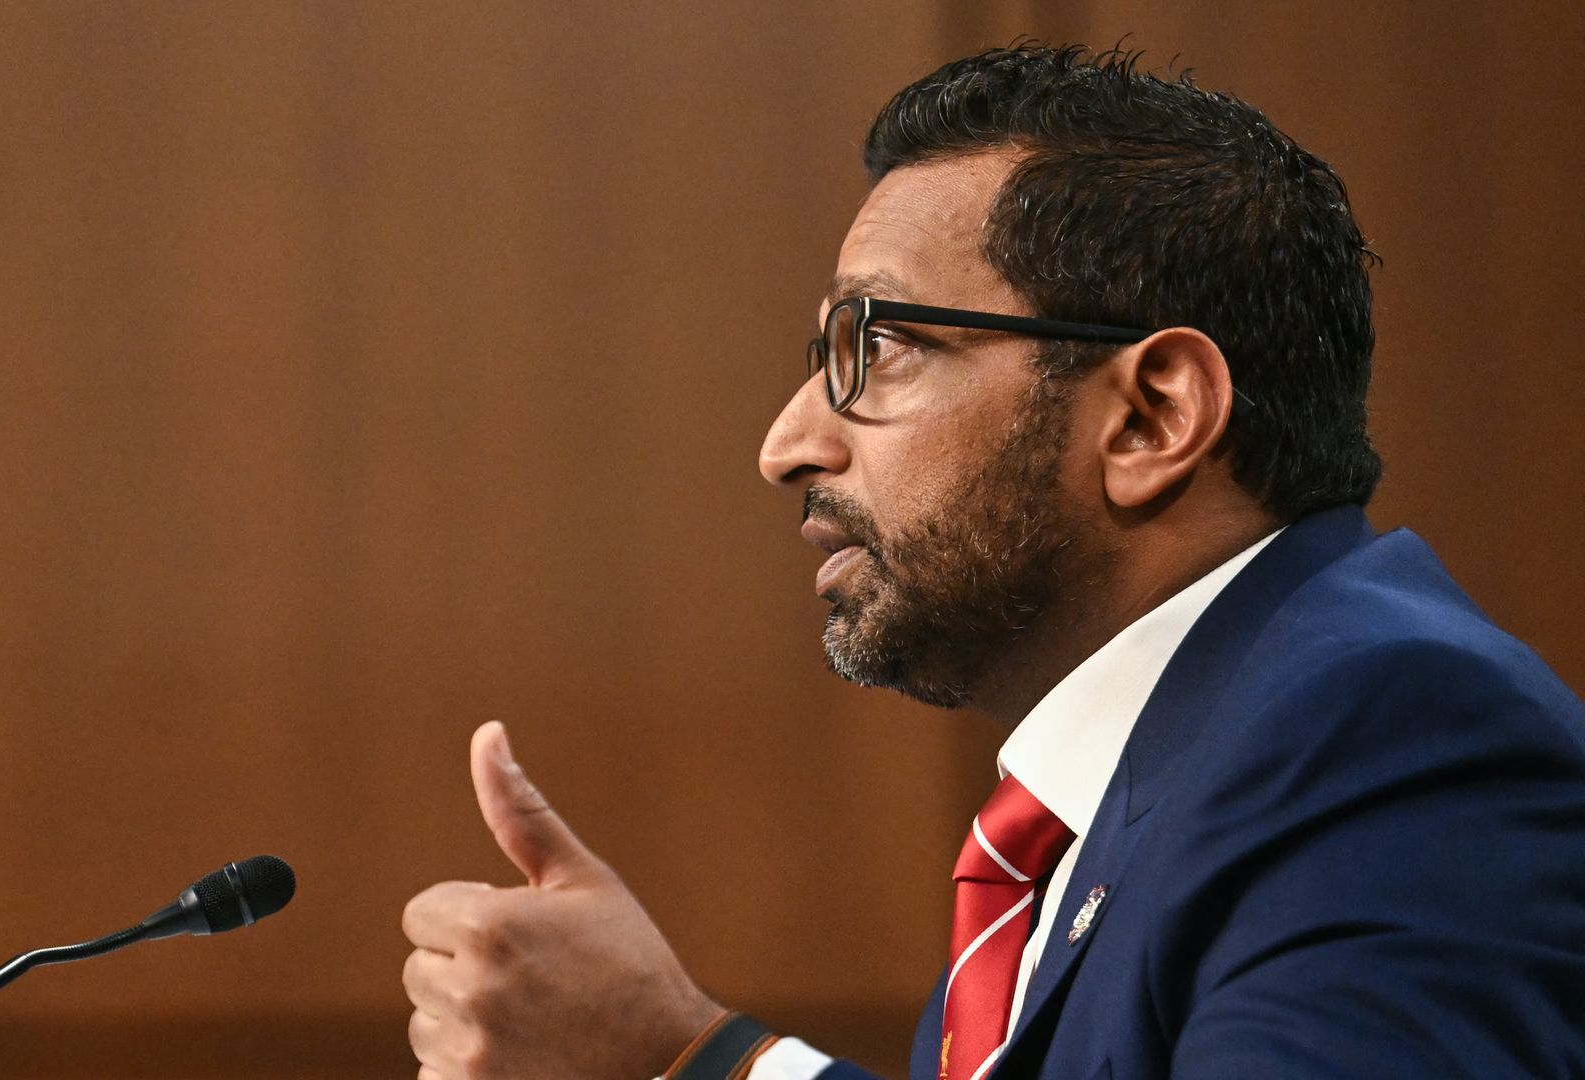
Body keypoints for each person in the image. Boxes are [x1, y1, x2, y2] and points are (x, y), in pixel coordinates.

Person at [400, 44, 1585, 1080]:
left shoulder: (1390, 735)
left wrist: (692, 1061)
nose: (787, 444)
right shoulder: (1081, 830)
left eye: (881, 347)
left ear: (1150, 417)